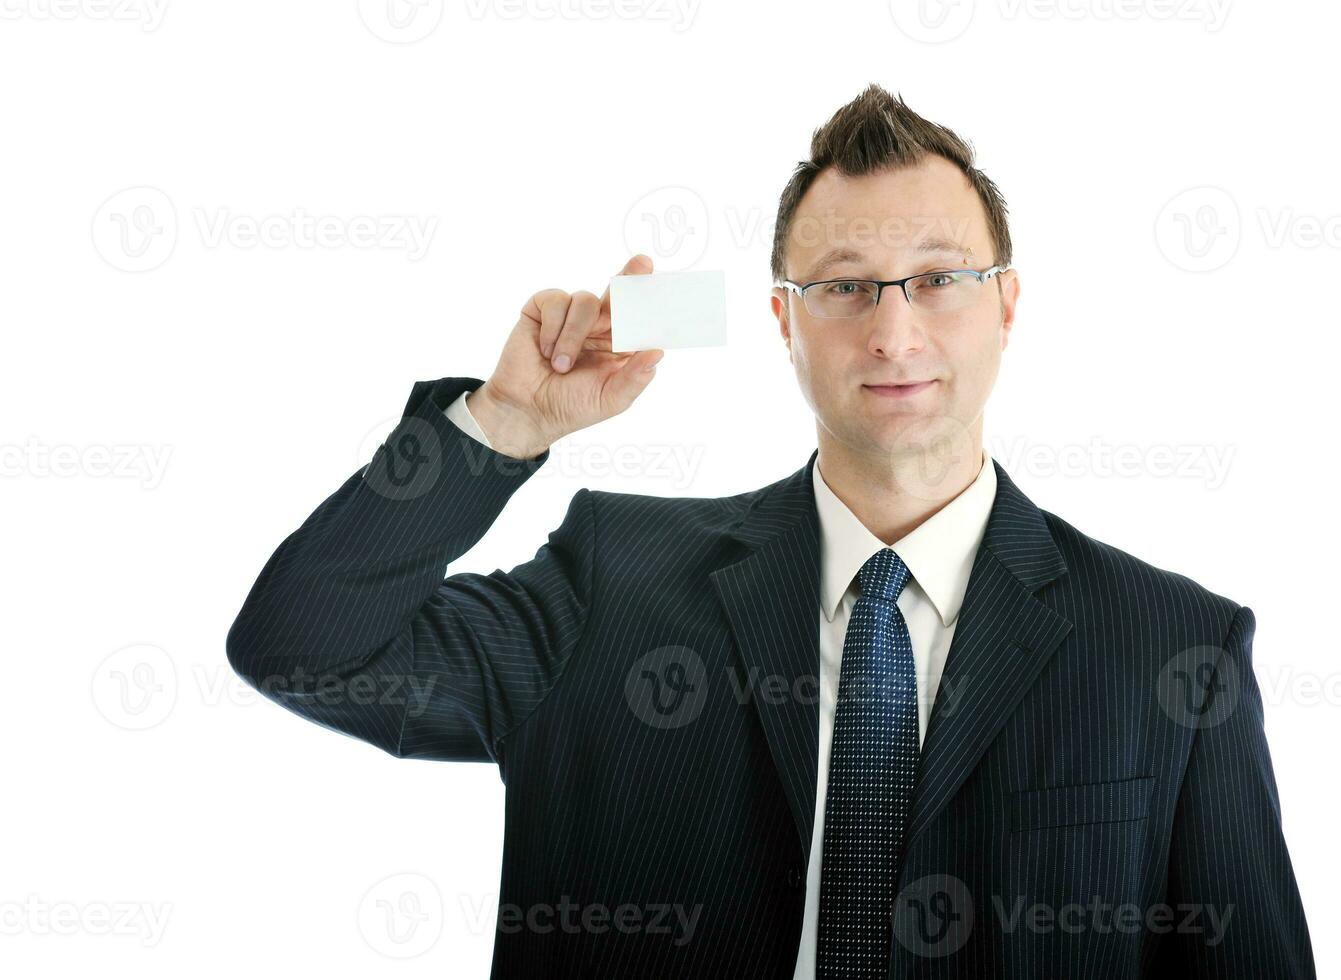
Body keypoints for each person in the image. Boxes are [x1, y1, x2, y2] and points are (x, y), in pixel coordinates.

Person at [226, 83, 1314, 978]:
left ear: (1007, 305)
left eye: (939, 279)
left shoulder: (1174, 643)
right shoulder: (612, 577)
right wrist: (500, 429)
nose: (894, 331)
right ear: (785, 320)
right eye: (845, 288)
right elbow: (307, 648)